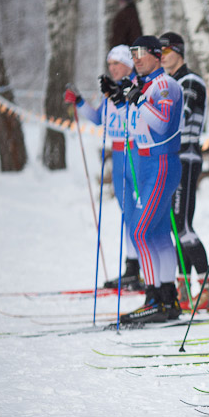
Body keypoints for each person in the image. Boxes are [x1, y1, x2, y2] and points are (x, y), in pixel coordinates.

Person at [116, 36, 184, 324]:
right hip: (146, 163)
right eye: (133, 53)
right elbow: (135, 124)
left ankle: (154, 297)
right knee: (156, 234)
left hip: (162, 162)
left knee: (139, 231)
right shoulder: (144, 85)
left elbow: (162, 123)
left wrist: (139, 100)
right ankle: (168, 298)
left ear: (157, 55)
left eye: (141, 52)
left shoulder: (166, 85)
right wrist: (120, 100)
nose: (136, 58)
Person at [65, 45, 143, 291]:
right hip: (117, 154)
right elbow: (98, 118)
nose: (112, 68)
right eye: (110, 64)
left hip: (137, 151)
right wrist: (79, 102)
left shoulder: (137, 86)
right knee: (127, 214)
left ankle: (148, 268)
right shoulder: (109, 90)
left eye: (117, 63)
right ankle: (132, 268)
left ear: (128, 64)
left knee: (142, 213)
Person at [157, 31, 209, 312]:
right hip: (172, 159)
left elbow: (178, 118)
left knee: (183, 227)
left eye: (166, 51)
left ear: (178, 52)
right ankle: (184, 287)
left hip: (185, 157)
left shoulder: (189, 81)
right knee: (175, 226)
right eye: (158, 52)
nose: (161, 57)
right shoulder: (171, 82)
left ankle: (207, 289)